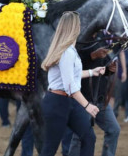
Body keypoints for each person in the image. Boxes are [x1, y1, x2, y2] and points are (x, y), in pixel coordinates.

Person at [40, 11, 105, 156]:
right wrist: (87, 106)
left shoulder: (69, 50)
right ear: (74, 27)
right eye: (79, 25)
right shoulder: (67, 52)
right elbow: (69, 85)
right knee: (49, 149)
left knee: (89, 137)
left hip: (67, 102)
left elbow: (71, 76)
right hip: (58, 103)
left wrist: (91, 72)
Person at [66, 31, 121, 156]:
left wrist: (109, 70)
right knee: (80, 135)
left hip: (100, 97)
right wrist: (92, 56)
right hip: (83, 98)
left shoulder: (101, 39)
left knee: (114, 129)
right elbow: (74, 68)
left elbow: (101, 68)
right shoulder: (79, 40)